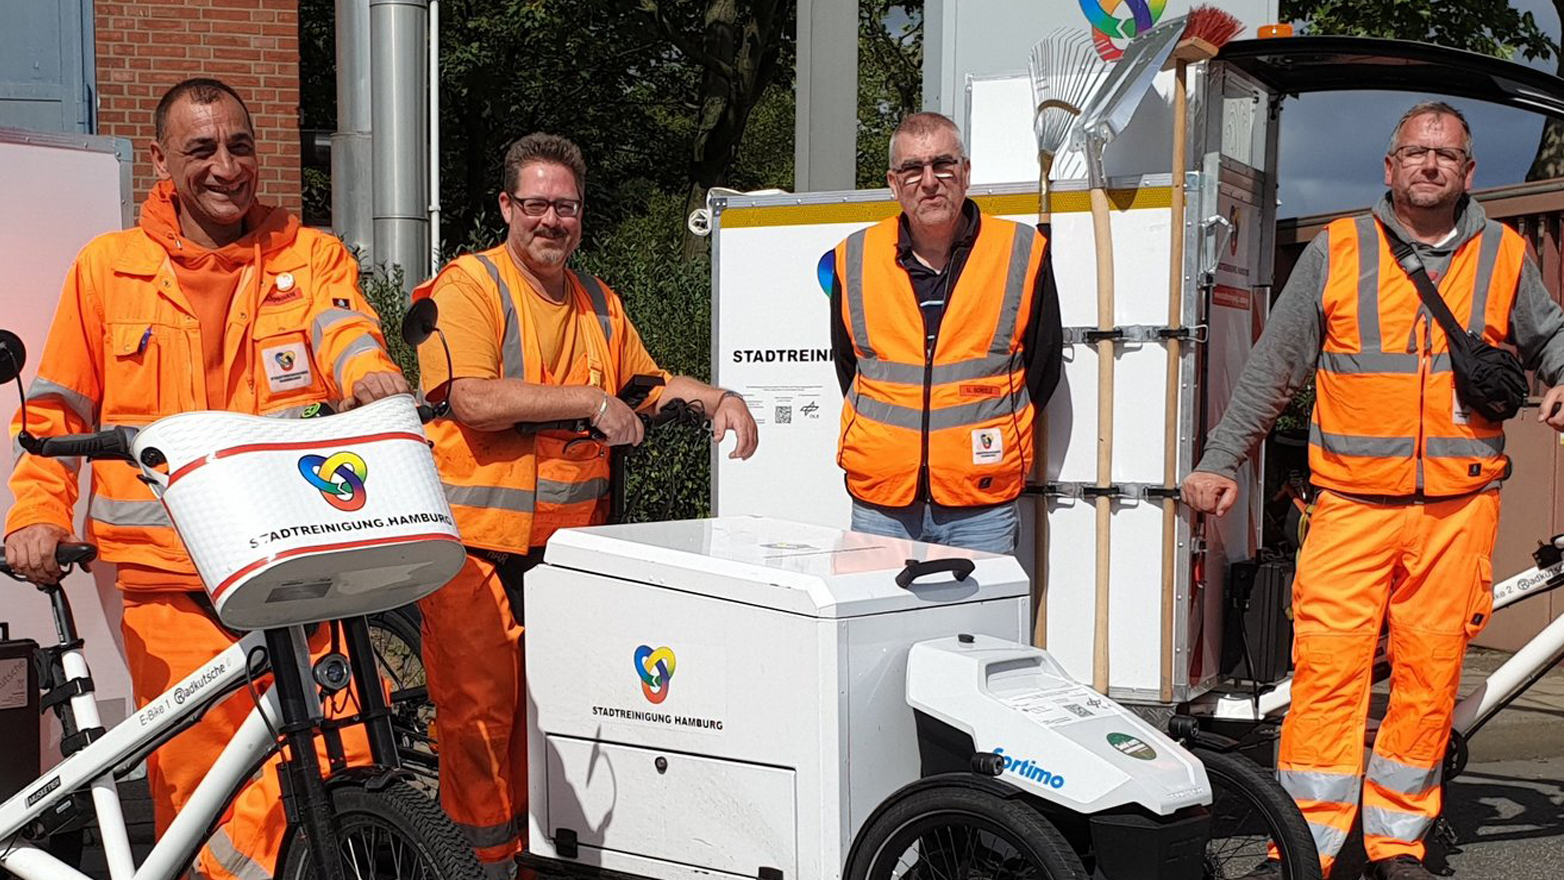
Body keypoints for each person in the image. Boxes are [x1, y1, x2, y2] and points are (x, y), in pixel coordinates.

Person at [4, 78, 410, 880]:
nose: (226, 166)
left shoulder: (308, 252)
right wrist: (36, 516)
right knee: (213, 785)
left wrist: (370, 376)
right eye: (201, 150)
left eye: (240, 145)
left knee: (351, 747)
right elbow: (55, 418)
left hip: (295, 565)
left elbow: (346, 329)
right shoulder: (108, 270)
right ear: (160, 161)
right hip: (168, 582)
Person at [1183, 102, 1564, 880]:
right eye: (1416, 153)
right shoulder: (1339, 251)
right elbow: (1273, 369)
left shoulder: (1503, 254)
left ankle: (1398, 843)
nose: (1430, 165)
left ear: (1468, 171)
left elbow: (1551, 333)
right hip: (1352, 508)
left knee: (1429, 679)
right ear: (1388, 167)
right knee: (1327, 677)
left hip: (1458, 510)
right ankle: (1304, 849)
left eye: (1447, 155)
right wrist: (1222, 460)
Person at [414, 132, 758, 877]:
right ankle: (479, 868)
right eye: (535, 204)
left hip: (569, 557)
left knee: (560, 721)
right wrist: (590, 401)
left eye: (564, 207)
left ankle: (538, 860)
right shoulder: (468, 286)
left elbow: (645, 384)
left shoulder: (599, 300)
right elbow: (470, 396)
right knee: (481, 722)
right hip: (478, 549)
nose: (551, 220)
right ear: (505, 206)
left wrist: (720, 398)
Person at [827, 111, 1062, 554]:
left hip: (980, 501)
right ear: (894, 184)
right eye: (912, 169)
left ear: (965, 173)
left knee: (976, 625)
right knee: (880, 622)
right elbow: (850, 366)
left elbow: (1043, 367)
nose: (929, 181)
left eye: (942, 164)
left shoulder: (1021, 251)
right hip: (882, 501)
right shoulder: (854, 257)